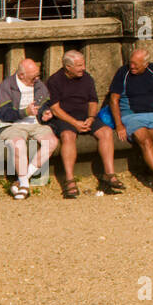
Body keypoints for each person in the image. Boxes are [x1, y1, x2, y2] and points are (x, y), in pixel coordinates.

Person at [46, 50, 120, 198]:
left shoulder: (87, 78)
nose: (83, 68)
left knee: (106, 131)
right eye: (79, 66)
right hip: (65, 118)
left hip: (86, 116)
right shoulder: (54, 81)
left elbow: (93, 101)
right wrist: (75, 123)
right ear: (68, 67)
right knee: (68, 136)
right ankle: (69, 180)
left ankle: (109, 174)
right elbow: (55, 108)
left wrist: (91, 117)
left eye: (83, 64)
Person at [108, 49, 153, 190]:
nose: (132, 67)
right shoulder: (123, 73)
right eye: (131, 63)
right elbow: (114, 100)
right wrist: (119, 125)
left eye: (136, 65)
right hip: (131, 115)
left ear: (146, 64)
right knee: (145, 141)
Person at [0, 59, 57, 200]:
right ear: (21, 75)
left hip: (35, 123)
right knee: (18, 144)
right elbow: (4, 114)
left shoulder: (38, 84)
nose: (37, 79)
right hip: (12, 124)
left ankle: (22, 180)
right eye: (33, 76)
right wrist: (25, 112)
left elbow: (46, 103)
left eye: (37, 75)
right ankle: (24, 185)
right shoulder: (7, 86)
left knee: (51, 142)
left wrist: (45, 113)